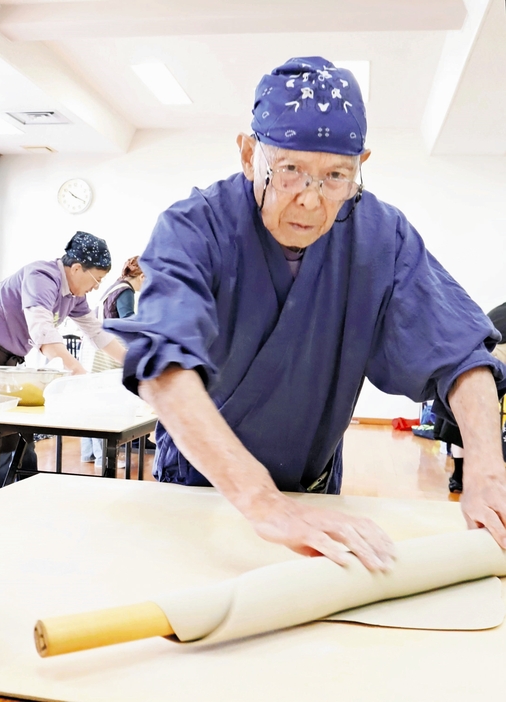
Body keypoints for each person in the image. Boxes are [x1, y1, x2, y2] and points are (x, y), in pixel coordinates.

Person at [107, 56, 506, 571]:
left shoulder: (380, 236)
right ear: (249, 153)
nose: (312, 202)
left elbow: (461, 352)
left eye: (336, 176)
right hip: (201, 492)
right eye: (290, 170)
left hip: (316, 494)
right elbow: (164, 368)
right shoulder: (195, 229)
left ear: (360, 164)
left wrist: (487, 471)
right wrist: (261, 500)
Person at [0, 231, 126, 493]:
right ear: (77, 268)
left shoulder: (74, 296)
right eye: (97, 279)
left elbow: (97, 333)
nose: (96, 287)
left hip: (8, 359)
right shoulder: (41, 277)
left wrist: (133, 364)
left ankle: (13, 497)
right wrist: (80, 375)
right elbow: (42, 334)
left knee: (9, 431)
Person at [80, 255, 146, 468]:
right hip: (106, 350)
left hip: (94, 347)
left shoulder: (114, 287)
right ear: (143, 276)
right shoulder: (126, 291)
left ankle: (89, 453)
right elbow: (128, 322)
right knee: (106, 402)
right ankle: (105, 458)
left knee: (92, 401)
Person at [439, 301, 506, 493]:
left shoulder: (498, 310)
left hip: (472, 358)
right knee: (475, 414)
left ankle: (459, 476)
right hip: (491, 360)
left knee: (462, 415)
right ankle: (465, 477)